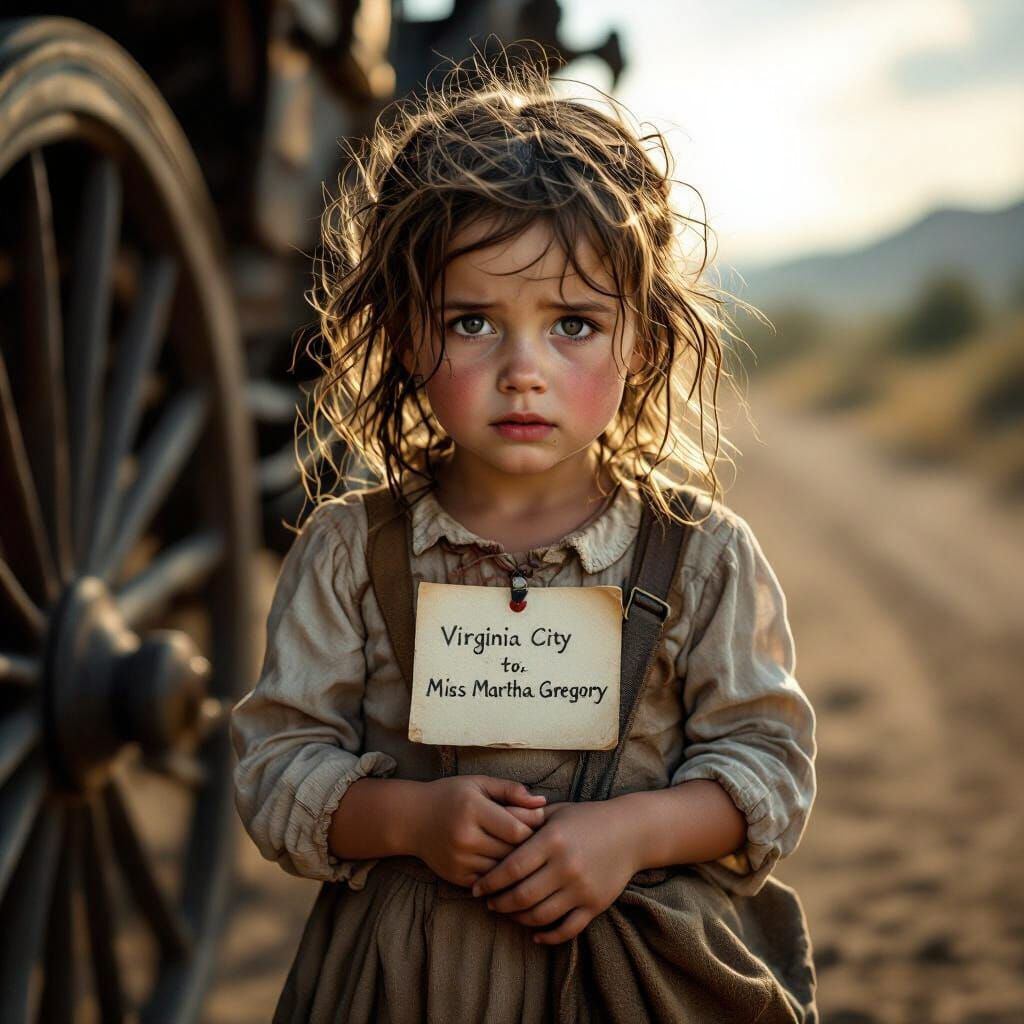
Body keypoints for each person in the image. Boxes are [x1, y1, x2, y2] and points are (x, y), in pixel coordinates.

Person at [231, 49, 818, 1024]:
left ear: (642, 338)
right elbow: (277, 766)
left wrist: (632, 832)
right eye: (471, 321)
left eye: (574, 324)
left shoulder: (699, 555)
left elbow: (767, 766)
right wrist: (409, 819)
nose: (522, 369)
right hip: (408, 983)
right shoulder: (350, 553)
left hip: (634, 980)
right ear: (407, 335)